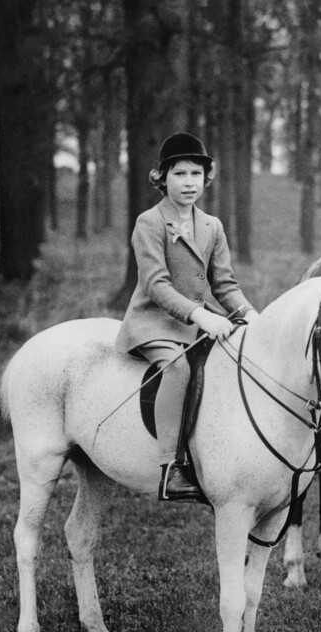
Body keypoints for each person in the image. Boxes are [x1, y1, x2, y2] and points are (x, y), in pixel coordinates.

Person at [116, 132, 258, 502]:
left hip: (196, 323)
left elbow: (224, 284)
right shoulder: (149, 222)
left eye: (197, 173)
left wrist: (249, 316)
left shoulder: (212, 225)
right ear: (162, 178)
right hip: (154, 322)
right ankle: (170, 468)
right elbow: (155, 285)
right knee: (177, 369)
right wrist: (200, 315)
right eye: (180, 174)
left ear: (206, 178)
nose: (189, 182)